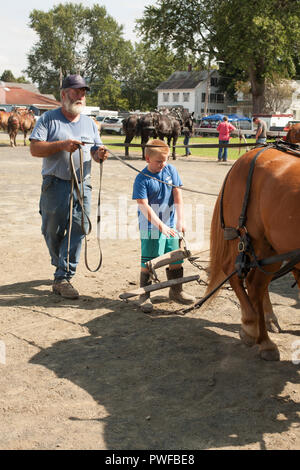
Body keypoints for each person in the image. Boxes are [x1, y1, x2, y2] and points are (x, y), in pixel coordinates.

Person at [30, 74, 109, 299]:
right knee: (51, 230)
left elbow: (96, 151)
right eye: (76, 91)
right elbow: (35, 149)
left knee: (81, 226)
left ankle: (63, 276)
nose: (81, 96)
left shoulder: (89, 123)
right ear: (64, 94)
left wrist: (99, 154)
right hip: (55, 183)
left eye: (83, 92)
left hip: (82, 185)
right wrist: (61, 145)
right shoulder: (48, 119)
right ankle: (60, 265)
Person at [132, 139, 195, 313]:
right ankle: (144, 295)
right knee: (149, 260)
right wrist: (160, 226)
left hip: (170, 223)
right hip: (151, 225)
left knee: (175, 256)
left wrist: (180, 220)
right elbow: (143, 205)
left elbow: (177, 196)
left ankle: (176, 291)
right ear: (147, 159)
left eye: (165, 160)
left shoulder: (170, 170)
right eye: (158, 161)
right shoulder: (141, 179)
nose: (163, 164)